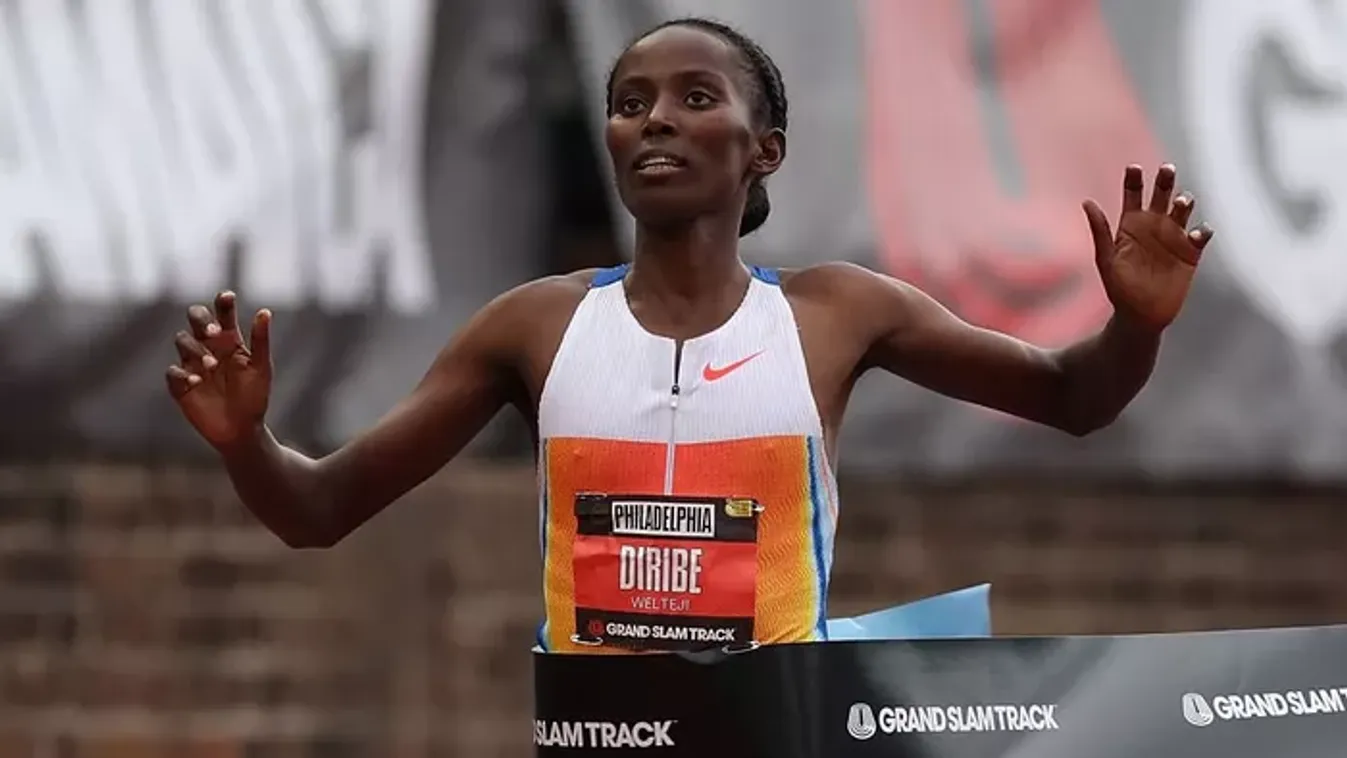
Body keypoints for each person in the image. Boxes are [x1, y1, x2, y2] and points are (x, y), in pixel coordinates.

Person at [166, 17, 1213, 655]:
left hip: (779, 733)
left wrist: (1134, 322)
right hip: (596, 736)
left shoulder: (837, 314)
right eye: (629, 103)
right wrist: (245, 442)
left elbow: (1074, 397)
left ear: (765, 150)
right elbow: (317, 509)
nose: (654, 119)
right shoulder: (535, 326)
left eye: (694, 97)